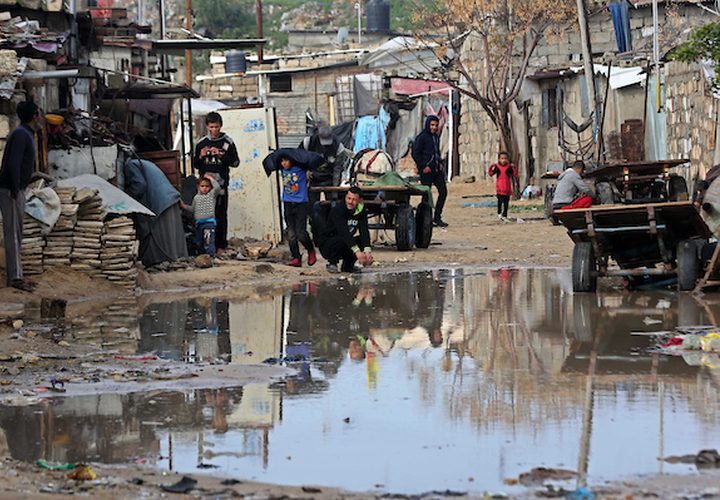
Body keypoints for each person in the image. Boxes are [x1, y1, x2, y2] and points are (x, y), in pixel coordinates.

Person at [0, 101, 39, 292]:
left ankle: (17, 275)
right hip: (11, 190)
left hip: (17, 189)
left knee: (17, 232)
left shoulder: (24, 133)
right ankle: (15, 278)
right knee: (13, 234)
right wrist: (15, 188)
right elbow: (13, 163)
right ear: (35, 115)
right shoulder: (21, 134)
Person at [124, 158, 188, 267]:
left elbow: (140, 185)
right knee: (172, 237)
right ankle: (176, 260)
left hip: (160, 201)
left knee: (159, 235)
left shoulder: (130, 165)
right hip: (169, 198)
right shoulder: (143, 162)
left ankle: (162, 261)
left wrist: (126, 197)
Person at [193, 112, 239, 251]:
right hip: (204, 187)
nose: (214, 130)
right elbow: (195, 165)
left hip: (221, 185)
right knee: (203, 214)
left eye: (217, 127)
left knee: (220, 214)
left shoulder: (227, 142)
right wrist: (201, 156)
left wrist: (221, 155)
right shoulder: (201, 143)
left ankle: (221, 245)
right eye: (212, 127)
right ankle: (204, 245)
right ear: (207, 126)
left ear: (221, 126)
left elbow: (236, 162)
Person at [316, 186, 373, 273]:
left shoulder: (361, 211)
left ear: (359, 201)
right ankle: (332, 263)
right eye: (349, 198)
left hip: (346, 241)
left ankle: (348, 266)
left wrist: (367, 251)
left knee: (360, 240)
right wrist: (357, 252)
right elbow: (343, 232)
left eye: (354, 199)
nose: (350, 202)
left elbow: (364, 230)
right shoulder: (338, 210)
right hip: (329, 244)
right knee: (342, 239)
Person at [279, 155, 317, 267]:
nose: (283, 163)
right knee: (291, 234)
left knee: (301, 232)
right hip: (287, 202)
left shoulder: (301, 168)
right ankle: (296, 257)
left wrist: (309, 173)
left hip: (301, 203)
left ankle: (310, 250)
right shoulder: (282, 169)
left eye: (286, 160)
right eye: (282, 161)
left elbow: (312, 165)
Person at [412, 115, 448, 227]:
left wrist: (440, 165)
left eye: (436, 125)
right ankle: (424, 219)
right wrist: (423, 166)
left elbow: (436, 152)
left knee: (443, 192)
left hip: (436, 171)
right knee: (426, 196)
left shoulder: (436, 137)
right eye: (432, 125)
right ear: (428, 125)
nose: (434, 127)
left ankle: (437, 217)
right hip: (426, 171)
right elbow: (415, 153)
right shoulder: (421, 137)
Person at [299, 124, 348, 205]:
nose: (325, 146)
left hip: (329, 178)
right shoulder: (308, 143)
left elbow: (337, 170)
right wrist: (305, 171)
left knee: (332, 205)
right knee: (311, 206)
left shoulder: (338, 147)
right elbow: (298, 159)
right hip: (312, 179)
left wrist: (335, 190)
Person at [181, 175, 221, 257]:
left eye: (207, 186)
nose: (205, 188)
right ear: (198, 187)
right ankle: (202, 257)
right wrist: (183, 206)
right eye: (202, 186)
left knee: (208, 241)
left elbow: (217, 187)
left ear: (210, 187)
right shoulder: (196, 198)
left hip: (209, 223)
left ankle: (210, 256)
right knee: (199, 242)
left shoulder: (211, 195)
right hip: (199, 224)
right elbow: (192, 209)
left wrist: (210, 178)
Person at [489, 151, 517, 222]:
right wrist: (491, 167)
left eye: (505, 158)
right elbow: (491, 174)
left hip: (507, 188)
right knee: (500, 202)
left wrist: (514, 167)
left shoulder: (508, 167)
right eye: (502, 158)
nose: (503, 160)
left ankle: (505, 215)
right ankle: (499, 213)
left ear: (507, 159)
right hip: (499, 188)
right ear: (499, 159)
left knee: (506, 203)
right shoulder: (497, 167)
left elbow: (514, 174)